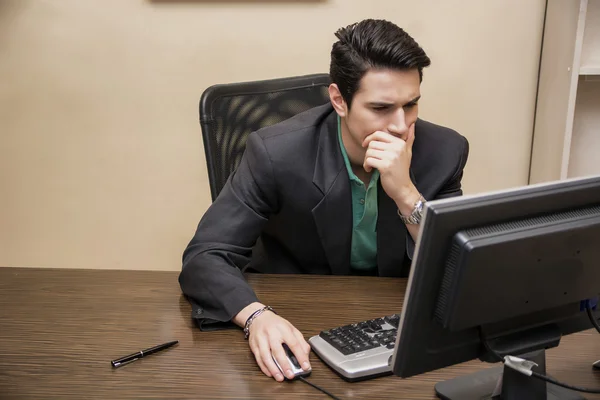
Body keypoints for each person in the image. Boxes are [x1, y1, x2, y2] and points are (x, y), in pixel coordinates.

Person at [179, 19, 469, 382]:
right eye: (381, 108)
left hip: (391, 328)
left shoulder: (443, 151)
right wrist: (256, 317)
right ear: (339, 100)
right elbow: (205, 255)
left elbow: (458, 269)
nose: (400, 125)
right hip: (297, 318)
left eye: (411, 105)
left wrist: (407, 195)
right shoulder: (276, 153)